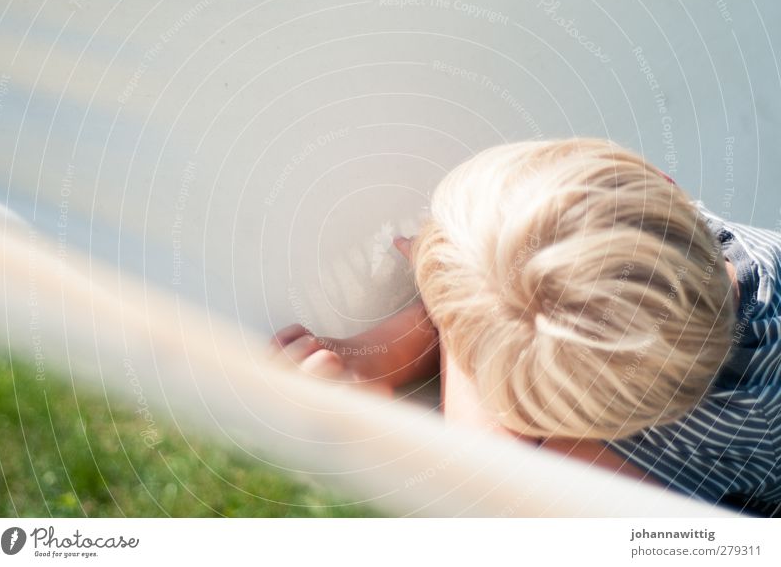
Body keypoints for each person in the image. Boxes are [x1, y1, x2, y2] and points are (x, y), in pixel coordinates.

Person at [269, 138, 781, 516]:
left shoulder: (658, 458)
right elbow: (550, 286)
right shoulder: (674, 238)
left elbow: (496, 493)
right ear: (664, 188)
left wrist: (433, 326)